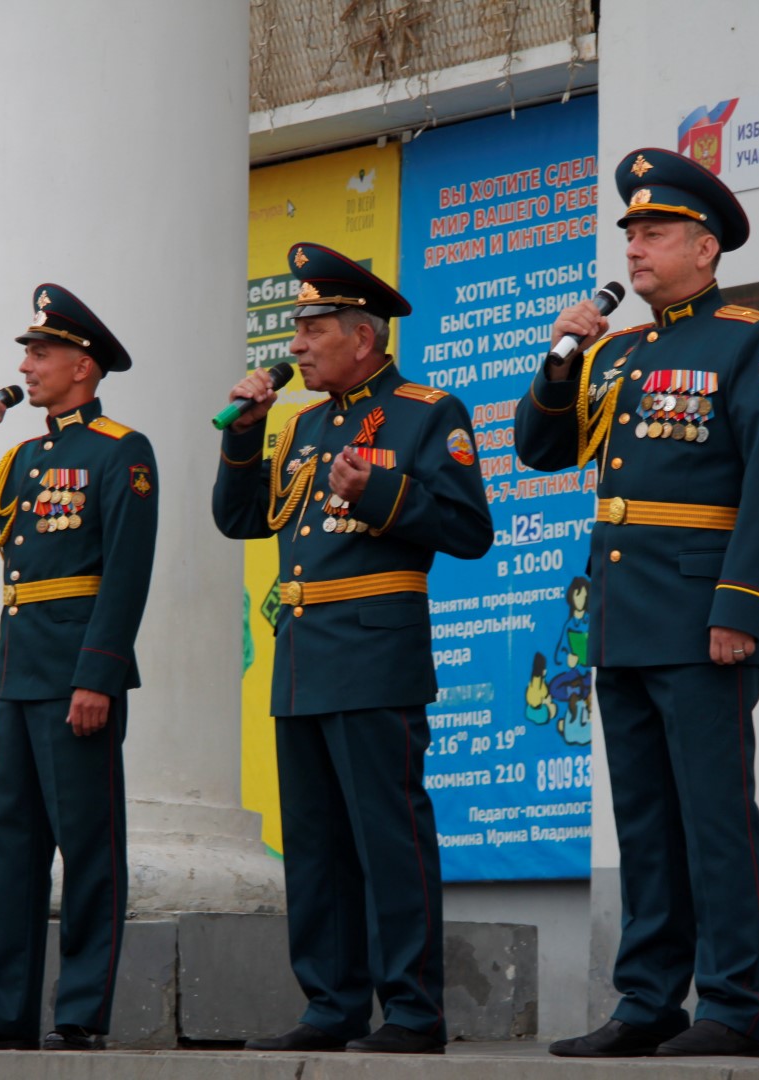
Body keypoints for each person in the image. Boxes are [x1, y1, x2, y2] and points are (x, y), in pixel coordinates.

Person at [514, 147, 759, 1059]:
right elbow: (538, 450)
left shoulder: (748, 339)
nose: (635, 250)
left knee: (713, 813)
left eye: (654, 233)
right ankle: (647, 1000)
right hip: (623, 613)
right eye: (630, 234)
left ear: (705, 247)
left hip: (698, 613)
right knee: (643, 819)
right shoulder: (620, 350)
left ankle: (730, 1005)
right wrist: (562, 362)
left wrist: (740, 603)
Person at [212, 243, 493, 1055]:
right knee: (315, 843)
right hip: (302, 652)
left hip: (375, 650)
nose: (294, 346)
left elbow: (469, 530)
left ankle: (411, 1012)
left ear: (361, 337)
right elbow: (240, 520)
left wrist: (377, 491)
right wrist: (245, 435)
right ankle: (331, 1005)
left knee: (387, 837)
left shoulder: (425, 411)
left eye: (312, 330)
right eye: (296, 331)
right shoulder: (297, 421)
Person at [0, 283, 158, 1052]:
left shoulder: (120, 451)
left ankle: (82, 1012)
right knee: (11, 845)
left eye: (40, 352)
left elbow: (125, 575)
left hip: (74, 676)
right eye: (26, 352)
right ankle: (0, 1012)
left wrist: (95, 675)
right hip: (18, 672)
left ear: (82, 366)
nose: (25, 365)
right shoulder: (26, 454)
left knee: (88, 845)